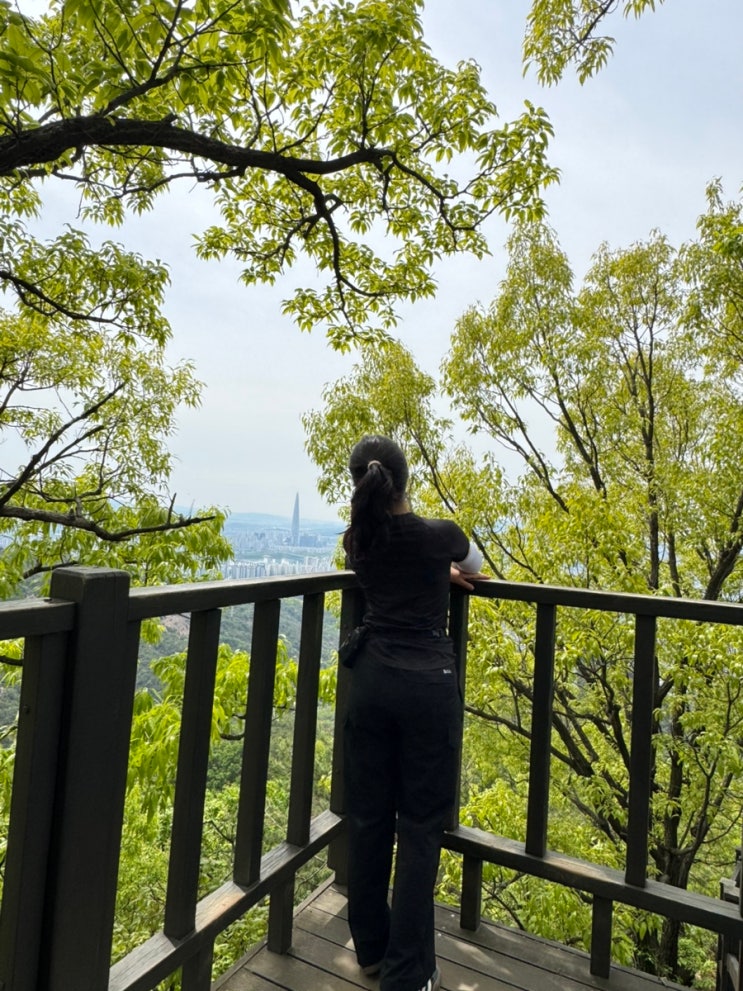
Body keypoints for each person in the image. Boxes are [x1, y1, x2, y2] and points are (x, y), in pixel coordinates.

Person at [341, 435, 485, 991]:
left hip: (371, 683)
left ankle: (371, 950)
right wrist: (440, 574)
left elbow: (382, 572)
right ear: (405, 480)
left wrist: (429, 574)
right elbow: (477, 567)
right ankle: (408, 974)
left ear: (360, 483)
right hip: (428, 689)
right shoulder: (439, 535)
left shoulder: (359, 541)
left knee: (369, 818)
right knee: (420, 828)